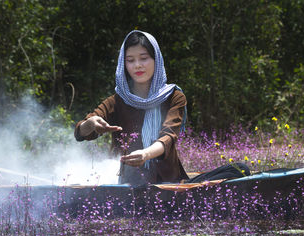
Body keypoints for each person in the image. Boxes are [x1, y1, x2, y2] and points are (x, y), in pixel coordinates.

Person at [75, 30, 249, 186]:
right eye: (130, 60)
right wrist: (90, 123)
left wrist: (145, 154)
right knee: (134, 178)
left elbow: (168, 136)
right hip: (128, 182)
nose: (137, 65)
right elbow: (81, 133)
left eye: (144, 58)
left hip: (171, 182)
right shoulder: (117, 101)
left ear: (156, 59)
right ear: (124, 64)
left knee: (239, 169)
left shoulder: (174, 97)